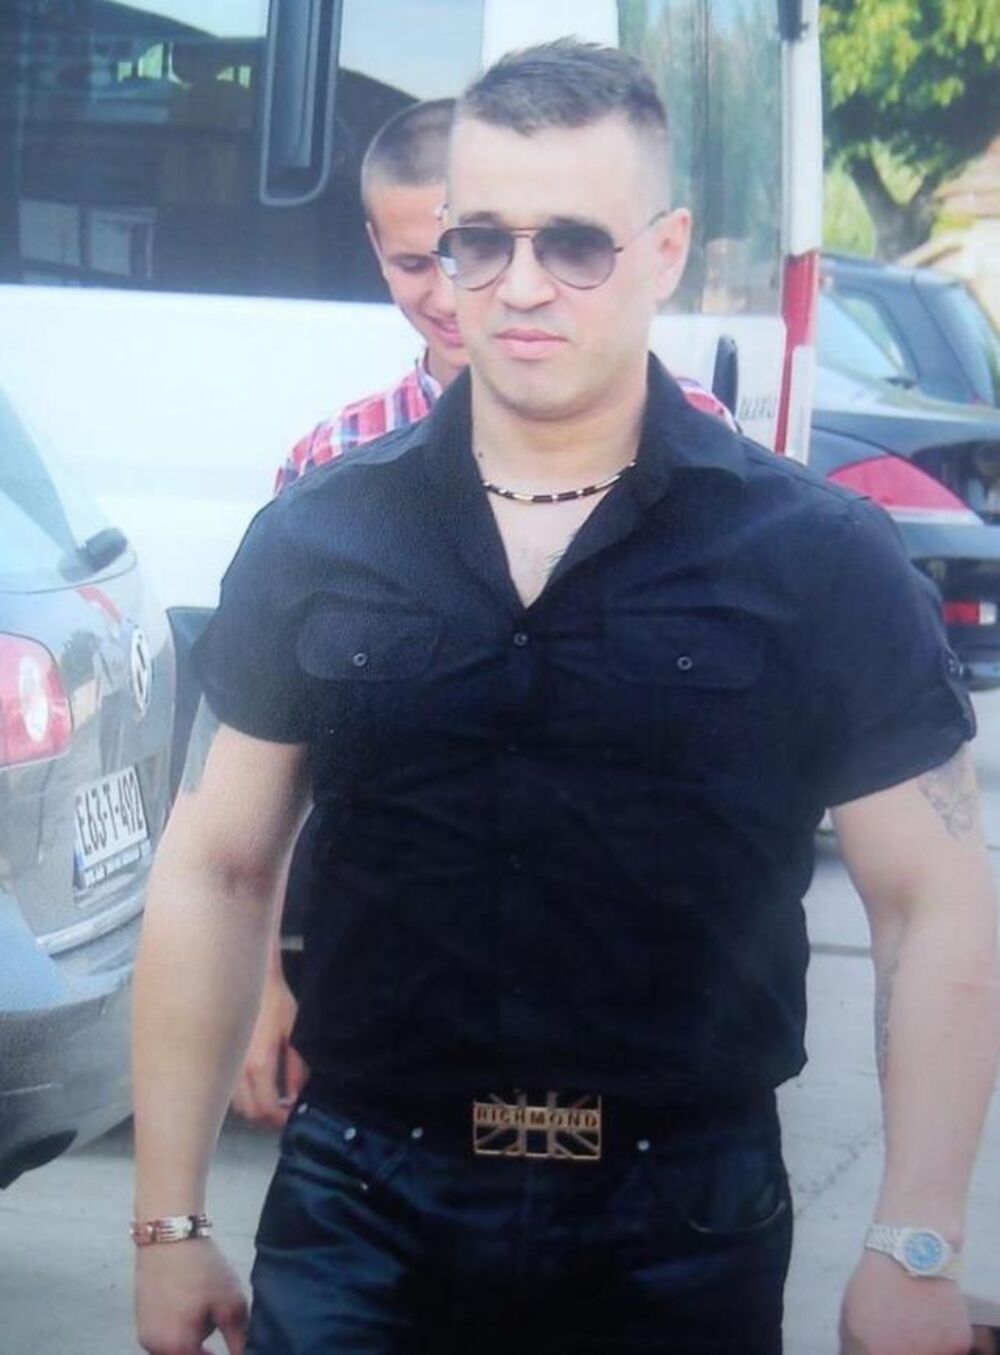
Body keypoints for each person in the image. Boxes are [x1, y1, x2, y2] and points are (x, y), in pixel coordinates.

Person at [132, 40, 999, 1355]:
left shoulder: (818, 557)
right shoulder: (317, 533)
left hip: (681, 1220)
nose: (521, 284)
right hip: (361, 1207)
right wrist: (168, 1219)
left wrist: (916, 1240)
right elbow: (217, 863)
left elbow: (932, 903)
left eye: (576, 243)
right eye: (481, 240)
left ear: (666, 251)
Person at [235, 94, 739, 1131]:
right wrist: (264, 977)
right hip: (393, 1057)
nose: (454, 291)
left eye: (461, 250)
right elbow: (266, 777)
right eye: (417, 261)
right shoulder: (329, 468)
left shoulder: (698, 442)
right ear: (376, 250)